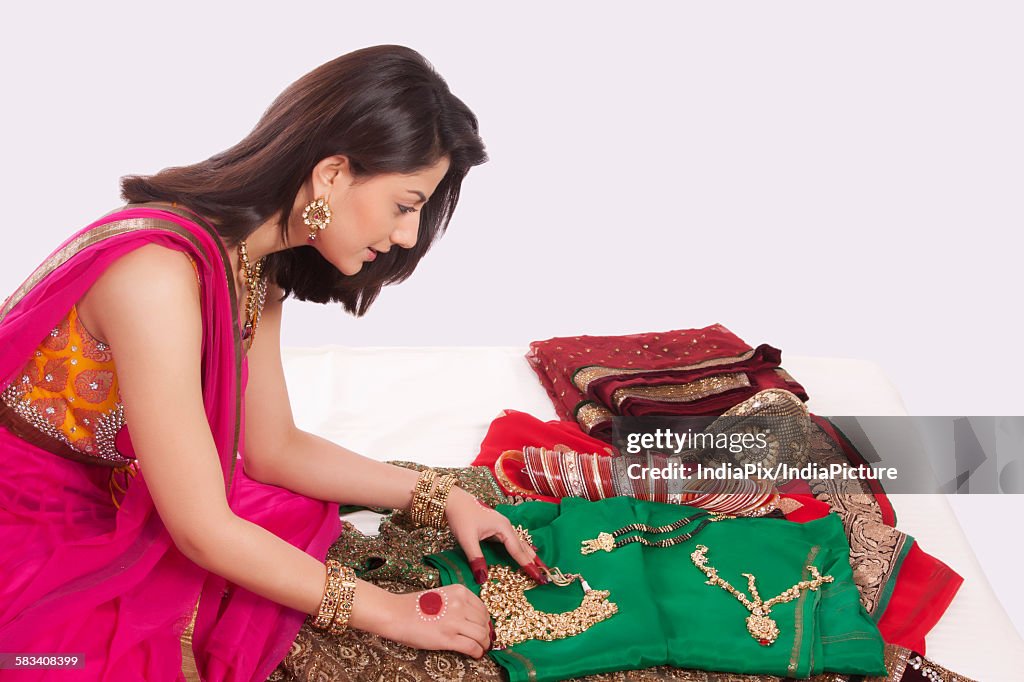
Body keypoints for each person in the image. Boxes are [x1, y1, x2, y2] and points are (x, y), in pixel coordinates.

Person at [0, 44, 550, 681]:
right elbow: (204, 529)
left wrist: (438, 494)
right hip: (31, 517)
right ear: (333, 174)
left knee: (290, 526)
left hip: (121, 493)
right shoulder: (155, 275)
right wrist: (384, 611)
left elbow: (272, 448)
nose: (406, 235)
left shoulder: (251, 267)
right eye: (406, 204)